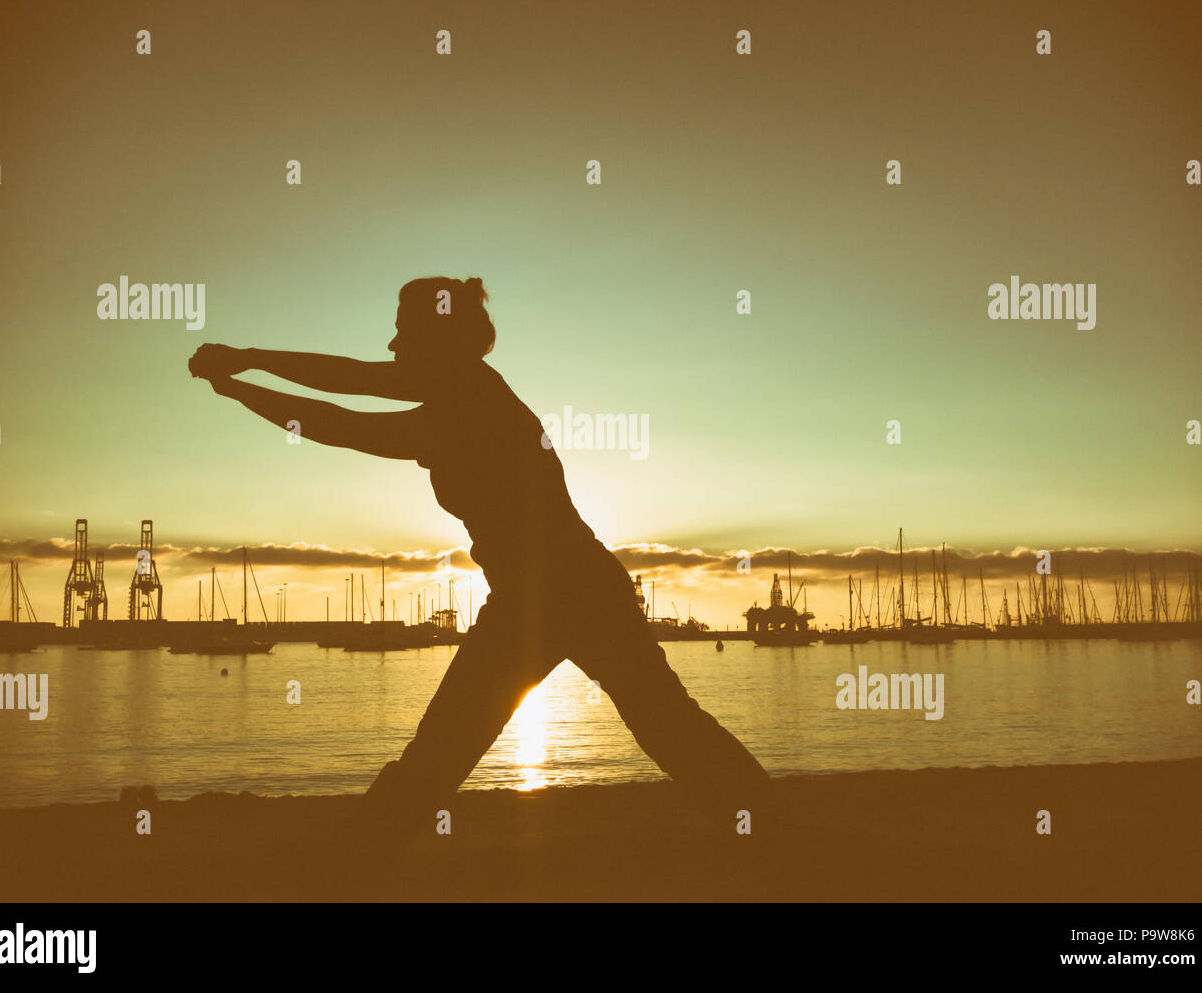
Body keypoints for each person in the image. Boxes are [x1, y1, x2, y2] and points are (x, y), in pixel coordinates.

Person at [188, 276, 771, 836]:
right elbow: (353, 380)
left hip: (563, 591)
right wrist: (248, 360)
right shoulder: (465, 388)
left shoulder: (470, 400)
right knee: (652, 726)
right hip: (550, 593)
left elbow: (340, 420)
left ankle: (357, 855)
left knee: (462, 741)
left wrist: (241, 380)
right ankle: (765, 825)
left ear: (438, 340)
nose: (392, 345)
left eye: (402, 332)